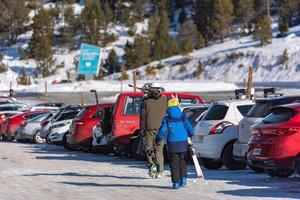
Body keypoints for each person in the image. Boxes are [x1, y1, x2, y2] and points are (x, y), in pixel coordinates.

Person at [156, 96, 194, 189]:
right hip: (183, 142)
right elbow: (189, 128)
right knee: (183, 161)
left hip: (172, 143)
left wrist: (158, 138)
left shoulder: (167, 119)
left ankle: (176, 183)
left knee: (174, 163)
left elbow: (162, 131)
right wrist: (190, 134)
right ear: (177, 106)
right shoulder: (183, 116)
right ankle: (183, 178)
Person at [140, 82, 168, 178]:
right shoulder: (165, 99)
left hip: (149, 129)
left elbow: (143, 117)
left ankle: (152, 165)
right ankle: (160, 171)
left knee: (149, 148)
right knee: (159, 150)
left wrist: (142, 129)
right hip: (162, 130)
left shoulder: (146, 101)